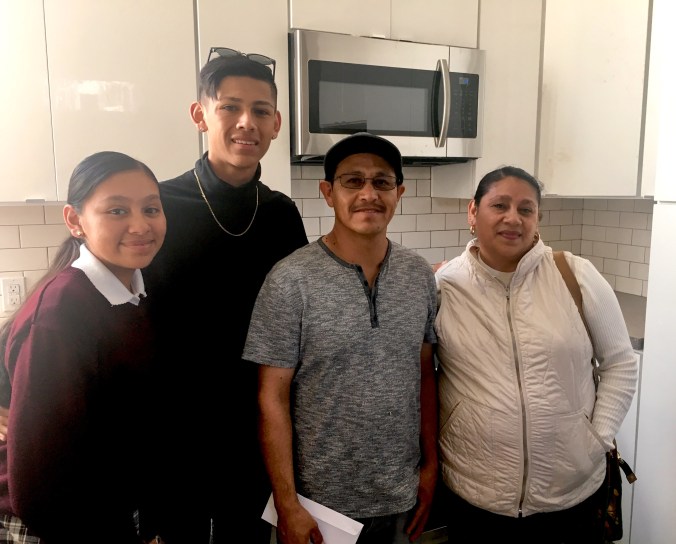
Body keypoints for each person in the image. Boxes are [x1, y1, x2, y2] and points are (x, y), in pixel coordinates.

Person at [136, 49, 308, 543]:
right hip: (172, 428)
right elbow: (86, 281)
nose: (246, 122)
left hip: (255, 427)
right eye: (230, 107)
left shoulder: (280, 214)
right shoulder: (159, 205)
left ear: (276, 124)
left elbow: (306, 308)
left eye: (260, 110)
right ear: (200, 115)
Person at [242, 132, 439, 544]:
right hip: (319, 508)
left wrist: (430, 467)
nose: (369, 194)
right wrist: (287, 503)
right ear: (328, 193)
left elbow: (423, 375)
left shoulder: (419, 275)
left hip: (399, 495)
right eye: (353, 181)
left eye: (382, 182)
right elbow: (271, 398)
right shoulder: (290, 280)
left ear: (399, 193)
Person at [433, 166, 638, 544]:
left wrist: (598, 440)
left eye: (526, 209)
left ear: (537, 218)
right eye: (500, 205)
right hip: (475, 493)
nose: (513, 218)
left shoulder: (575, 275)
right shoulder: (444, 287)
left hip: (572, 492)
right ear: (473, 212)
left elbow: (620, 364)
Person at [0, 151, 166, 543]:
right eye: (117, 211)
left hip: (107, 511)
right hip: (56, 526)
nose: (140, 225)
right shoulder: (62, 312)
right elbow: (37, 483)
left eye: (151, 209)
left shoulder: (134, 294)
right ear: (75, 221)